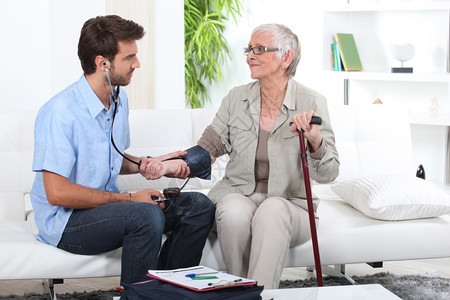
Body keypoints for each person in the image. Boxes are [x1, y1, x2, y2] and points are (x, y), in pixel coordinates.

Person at [30, 15, 215, 286]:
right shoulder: (59, 113)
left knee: (198, 207)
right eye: (129, 58)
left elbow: (112, 159)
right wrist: (130, 199)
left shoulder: (119, 98)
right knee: (146, 214)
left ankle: (167, 290)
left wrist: (148, 163)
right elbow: (57, 193)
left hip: (109, 210)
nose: (137, 64)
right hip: (67, 222)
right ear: (102, 63)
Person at [191, 24, 340, 289]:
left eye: (259, 49)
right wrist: (175, 161)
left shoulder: (312, 101)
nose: (250, 56)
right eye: (248, 49)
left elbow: (329, 173)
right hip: (241, 193)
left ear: (286, 58)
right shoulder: (236, 98)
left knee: (272, 210)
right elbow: (209, 146)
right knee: (232, 210)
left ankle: (261, 295)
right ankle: (239, 293)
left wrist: (314, 140)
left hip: (292, 206)